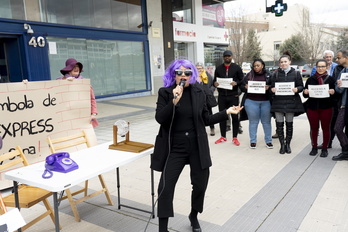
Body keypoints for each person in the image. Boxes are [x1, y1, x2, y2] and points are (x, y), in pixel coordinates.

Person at [151, 59, 243, 232]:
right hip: (174, 147)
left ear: (192, 75)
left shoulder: (199, 91)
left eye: (187, 72)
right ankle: (162, 228)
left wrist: (226, 112)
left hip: (196, 144)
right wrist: (174, 101)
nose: (183, 76)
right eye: (179, 72)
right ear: (173, 74)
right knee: (165, 187)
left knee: (200, 185)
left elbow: (206, 119)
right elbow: (160, 119)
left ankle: (193, 215)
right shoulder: (165, 92)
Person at [270, 52, 304, 154]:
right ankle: (282, 145)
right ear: (279, 63)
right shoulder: (275, 74)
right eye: (281, 62)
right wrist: (272, 89)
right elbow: (270, 87)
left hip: (291, 103)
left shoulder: (296, 73)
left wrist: (297, 89)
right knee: (279, 125)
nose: (283, 63)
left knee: (289, 125)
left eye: (285, 61)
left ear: (289, 62)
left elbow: (301, 86)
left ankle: (288, 144)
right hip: (278, 103)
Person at [303, 59, 336, 157]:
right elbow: (305, 96)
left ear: (326, 67)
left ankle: (325, 148)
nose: (320, 68)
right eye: (318, 66)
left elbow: (336, 95)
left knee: (326, 128)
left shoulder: (331, 79)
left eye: (323, 66)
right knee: (314, 128)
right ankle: (314, 147)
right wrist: (305, 92)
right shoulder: (310, 79)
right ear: (315, 67)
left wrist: (333, 92)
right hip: (312, 107)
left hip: (326, 108)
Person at [240, 58, 273, 149]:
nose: (256, 67)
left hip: (266, 102)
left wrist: (269, 87)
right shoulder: (249, 75)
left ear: (262, 65)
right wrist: (245, 87)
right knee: (253, 122)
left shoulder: (269, 75)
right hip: (251, 101)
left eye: (258, 65)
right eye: (254, 66)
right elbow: (241, 86)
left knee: (266, 122)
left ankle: (268, 141)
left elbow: (273, 86)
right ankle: (253, 141)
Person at [213, 50, 244, 145]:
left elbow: (242, 79)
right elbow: (214, 81)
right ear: (223, 57)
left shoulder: (237, 68)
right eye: (225, 56)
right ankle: (223, 136)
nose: (227, 57)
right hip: (222, 96)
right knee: (222, 116)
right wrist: (215, 83)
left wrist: (236, 83)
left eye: (229, 56)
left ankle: (235, 137)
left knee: (235, 117)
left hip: (233, 95)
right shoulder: (218, 68)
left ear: (231, 57)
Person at [57, 58, 99, 127]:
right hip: (68, 117)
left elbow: (92, 99)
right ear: (68, 70)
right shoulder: (60, 80)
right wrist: (65, 82)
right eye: (73, 66)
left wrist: (93, 113)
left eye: (77, 66)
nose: (76, 68)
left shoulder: (84, 83)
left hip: (83, 116)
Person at [332, 49, 348, 161]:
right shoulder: (343, 72)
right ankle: (345, 151)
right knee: (338, 128)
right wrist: (339, 85)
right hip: (344, 104)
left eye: (339, 57)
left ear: (346, 58)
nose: (337, 60)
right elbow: (338, 90)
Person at [196, 62, 216, 136]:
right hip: (197, 98)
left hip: (206, 97)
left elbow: (213, 85)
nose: (199, 70)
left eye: (200, 68)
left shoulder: (207, 75)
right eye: (197, 68)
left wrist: (210, 90)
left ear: (203, 68)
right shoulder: (193, 76)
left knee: (209, 113)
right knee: (198, 114)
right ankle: (201, 129)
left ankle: (212, 128)